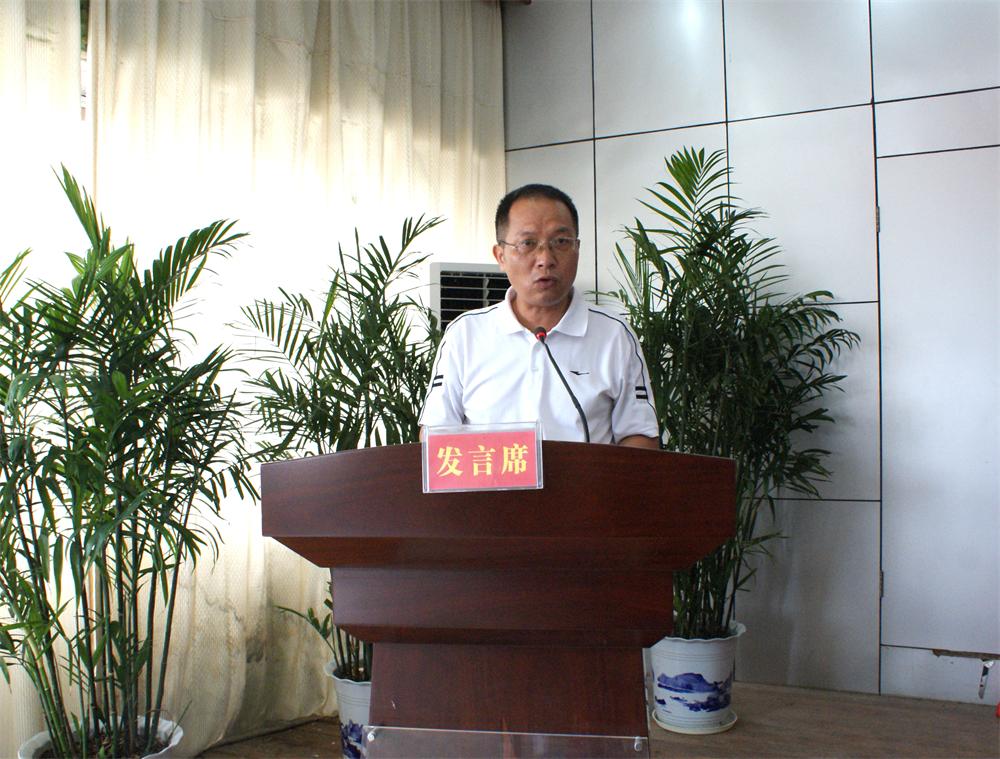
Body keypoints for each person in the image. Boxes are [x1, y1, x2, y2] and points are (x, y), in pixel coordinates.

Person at [419, 183, 659, 449]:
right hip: (491, 478)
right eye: (527, 243)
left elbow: (640, 435)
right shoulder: (465, 335)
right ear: (501, 256)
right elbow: (436, 436)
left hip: (586, 479)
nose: (545, 259)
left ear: (577, 249)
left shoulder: (613, 335)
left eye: (560, 242)